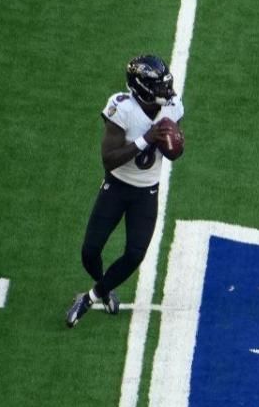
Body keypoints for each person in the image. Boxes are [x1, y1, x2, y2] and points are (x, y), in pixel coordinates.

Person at [68, 54, 185, 328]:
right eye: (158, 86)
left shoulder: (173, 106)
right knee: (90, 252)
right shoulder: (122, 108)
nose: (165, 90)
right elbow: (109, 159)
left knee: (135, 253)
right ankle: (105, 289)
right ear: (141, 88)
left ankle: (89, 298)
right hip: (117, 186)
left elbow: (174, 150)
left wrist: (174, 143)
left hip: (147, 192)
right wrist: (146, 139)